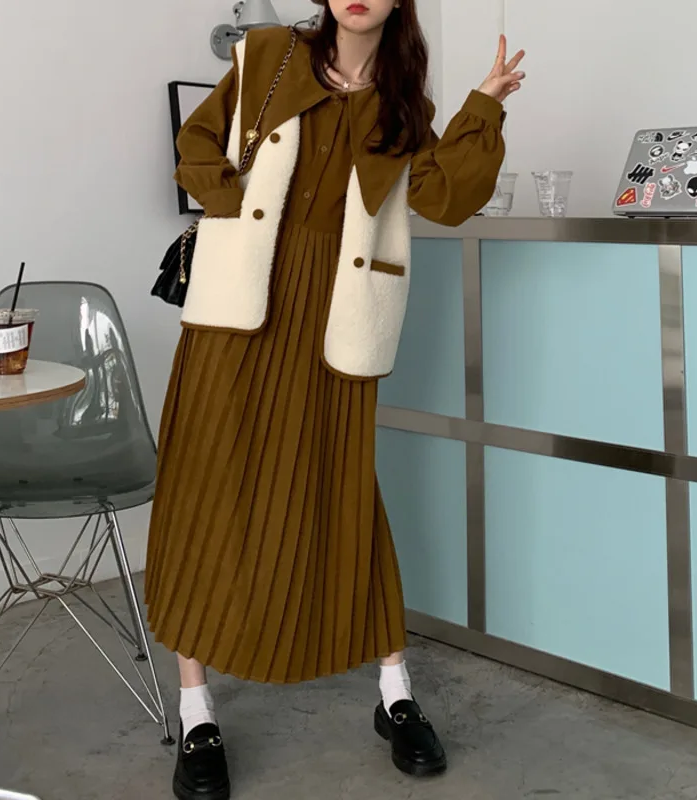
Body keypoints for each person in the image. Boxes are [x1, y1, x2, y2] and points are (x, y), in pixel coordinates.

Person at [145, 1, 525, 798]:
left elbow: (444, 198)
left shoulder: (403, 102)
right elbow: (198, 141)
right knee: (204, 490)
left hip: (339, 320)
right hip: (236, 313)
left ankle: (395, 694)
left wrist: (483, 107)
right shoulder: (267, 55)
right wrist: (228, 205)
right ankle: (196, 709)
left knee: (342, 493)